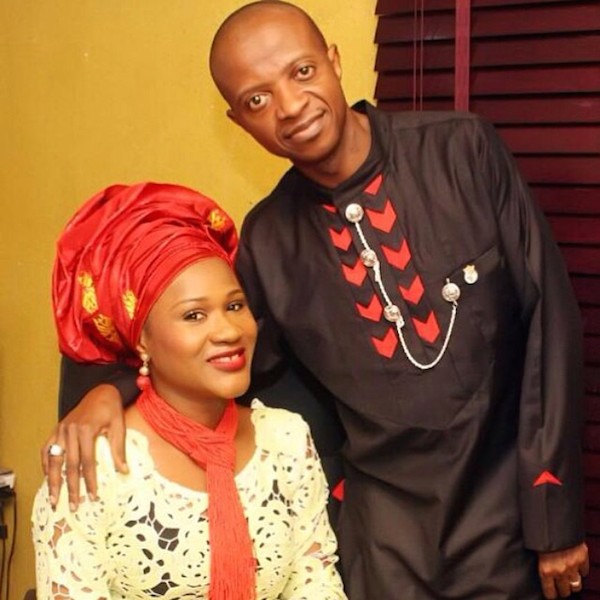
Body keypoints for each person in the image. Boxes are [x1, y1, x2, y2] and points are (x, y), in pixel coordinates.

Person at [42, 2, 589, 599]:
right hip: (384, 546)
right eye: (257, 99)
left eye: (301, 72)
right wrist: (110, 390)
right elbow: (211, 348)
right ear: (238, 121)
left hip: (506, 524)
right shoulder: (269, 240)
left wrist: (553, 516)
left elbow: (549, 323)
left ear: (333, 60)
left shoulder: (461, 150)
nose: (290, 105)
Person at [32, 182, 346, 599]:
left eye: (234, 306)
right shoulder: (94, 463)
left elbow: (316, 583)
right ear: (142, 341)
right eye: (194, 315)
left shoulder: (286, 439)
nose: (228, 331)